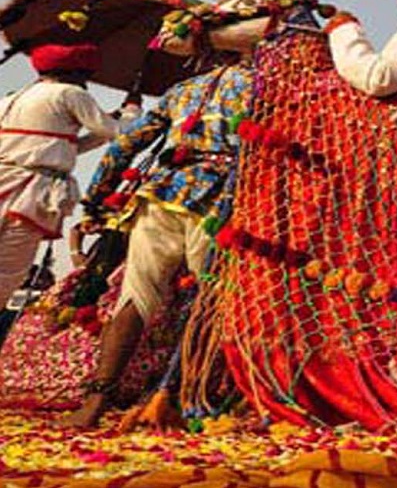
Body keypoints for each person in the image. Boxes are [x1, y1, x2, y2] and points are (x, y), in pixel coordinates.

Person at [63, 45, 256, 428]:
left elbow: (125, 144)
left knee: (135, 296)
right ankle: (181, 398)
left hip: (161, 194)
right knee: (210, 300)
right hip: (223, 200)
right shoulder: (267, 87)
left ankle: (97, 399)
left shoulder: (183, 90)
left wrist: (98, 201)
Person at [0, 44, 125, 313]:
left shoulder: (13, 97)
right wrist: (131, 114)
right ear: (76, 73)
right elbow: (117, 133)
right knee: (7, 273)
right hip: (29, 193)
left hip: (8, 181)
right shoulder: (70, 93)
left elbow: (62, 146)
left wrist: (106, 127)